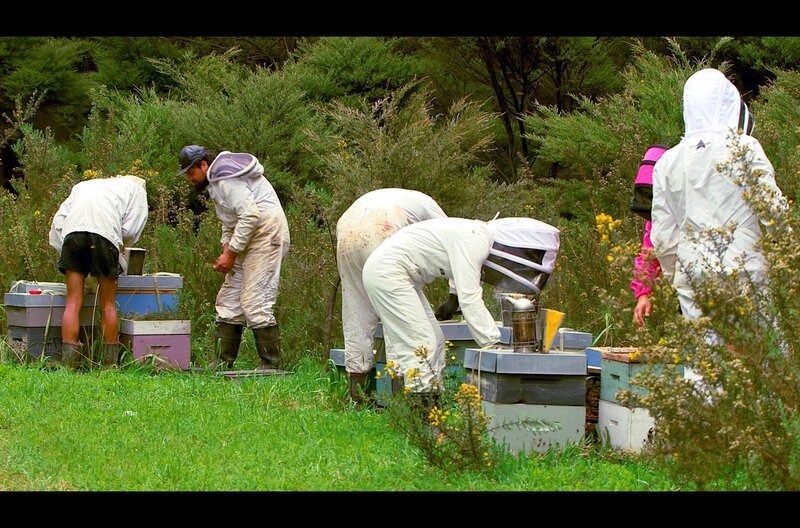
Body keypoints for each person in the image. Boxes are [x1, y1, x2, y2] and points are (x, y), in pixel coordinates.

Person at [362, 216, 559, 407]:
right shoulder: (474, 241)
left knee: (435, 342)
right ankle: (422, 418)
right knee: (423, 343)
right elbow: (470, 298)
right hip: (387, 273)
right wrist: (492, 342)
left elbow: (462, 275)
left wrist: (451, 301)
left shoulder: (476, 236)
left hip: (394, 273)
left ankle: (428, 411)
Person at [651, 68, 785, 326]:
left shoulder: (666, 162)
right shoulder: (745, 147)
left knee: (703, 363)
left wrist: (678, 276)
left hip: (694, 276)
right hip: (744, 269)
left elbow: (664, 240)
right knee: (757, 358)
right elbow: (774, 211)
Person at [178, 145, 290, 370]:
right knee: (229, 299)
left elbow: (250, 215)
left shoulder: (225, 178)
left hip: (266, 233)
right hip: (251, 236)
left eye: (191, 173)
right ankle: (222, 362)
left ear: (203, 165)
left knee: (254, 299)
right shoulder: (217, 181)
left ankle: (270, 365)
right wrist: (225, 249)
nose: (190, 179)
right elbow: (230, 221)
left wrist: (230, 253)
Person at [336, 188, 447, 404]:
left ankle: (358, 398)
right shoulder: (431, 206)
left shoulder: (403, 198)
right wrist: (454, 297)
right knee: (398, 319)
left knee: (355, 311)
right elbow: (450, 245)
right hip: (383, 227)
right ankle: (400, 402)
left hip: (347, 230)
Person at [49, 175, 149, 369]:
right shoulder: (136, 189)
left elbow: (59, 221)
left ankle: (69, 364)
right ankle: (109, 365)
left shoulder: (83, 185)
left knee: (73, 302)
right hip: (105, 236)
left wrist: (66, 245)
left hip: (72, 234)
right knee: (108, 305)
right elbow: (131, 230)